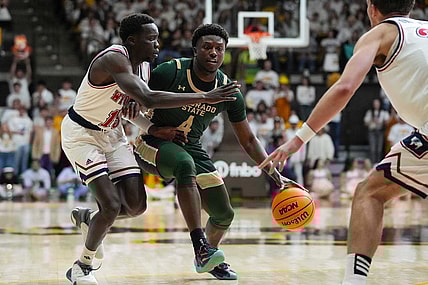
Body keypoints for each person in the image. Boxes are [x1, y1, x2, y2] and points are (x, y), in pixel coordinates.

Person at [61, 13, 239, 285]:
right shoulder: (113, 59)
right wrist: (205, 96)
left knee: (135, 205)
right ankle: (82, 266)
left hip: (113, 134)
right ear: (132, 41)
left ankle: (90, 219)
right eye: (152, 39)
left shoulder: (144, 67)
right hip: (82, 134)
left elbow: (130, 109)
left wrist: (151, 128)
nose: (158, 45)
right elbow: (146, 97)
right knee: (110, 205)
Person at [260, 1, 427, 284]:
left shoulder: (382, 33)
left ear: (371, 8)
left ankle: (353, 282)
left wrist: (298, 140)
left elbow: (345, 87)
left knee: (369, 193)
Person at [133, 23, 288, 280]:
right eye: (207, 47)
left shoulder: (228, 90)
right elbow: (132, 102)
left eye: (219, 48)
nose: (214, 53)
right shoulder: (170, 72)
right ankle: (200, 246)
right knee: (184, 164)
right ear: (195, 50)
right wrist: (150, 128)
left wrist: (273, 172)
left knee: (224, 214)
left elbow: (249, 140)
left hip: (191, 147)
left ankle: (209, 256)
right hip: (151, 141)